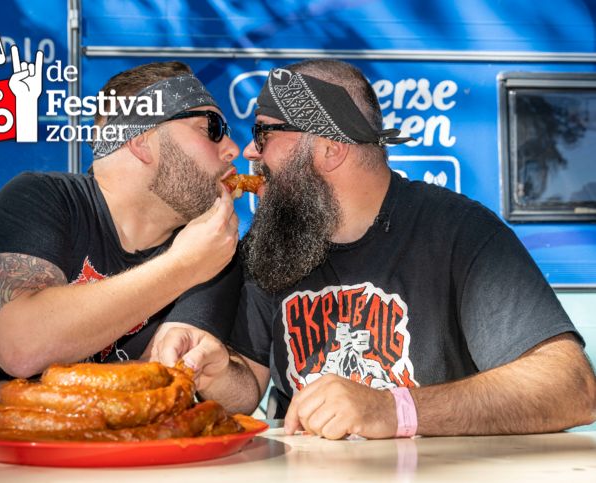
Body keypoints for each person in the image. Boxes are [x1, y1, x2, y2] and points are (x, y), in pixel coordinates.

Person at [158, 59, 596, 440]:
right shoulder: (272, 239)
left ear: (329, 150)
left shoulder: (456, 231)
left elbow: (573, 387)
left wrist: (394, 410)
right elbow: (247, 387)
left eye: (264, 132)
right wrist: (219, 371)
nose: (250, 150)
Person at [0, 61, 242, 425]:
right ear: (141, 141)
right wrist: (182, 267)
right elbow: (22, 345)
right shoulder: (41, 198)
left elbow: (161, 389)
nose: (233, 148)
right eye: (213, 128)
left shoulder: (208, 248)